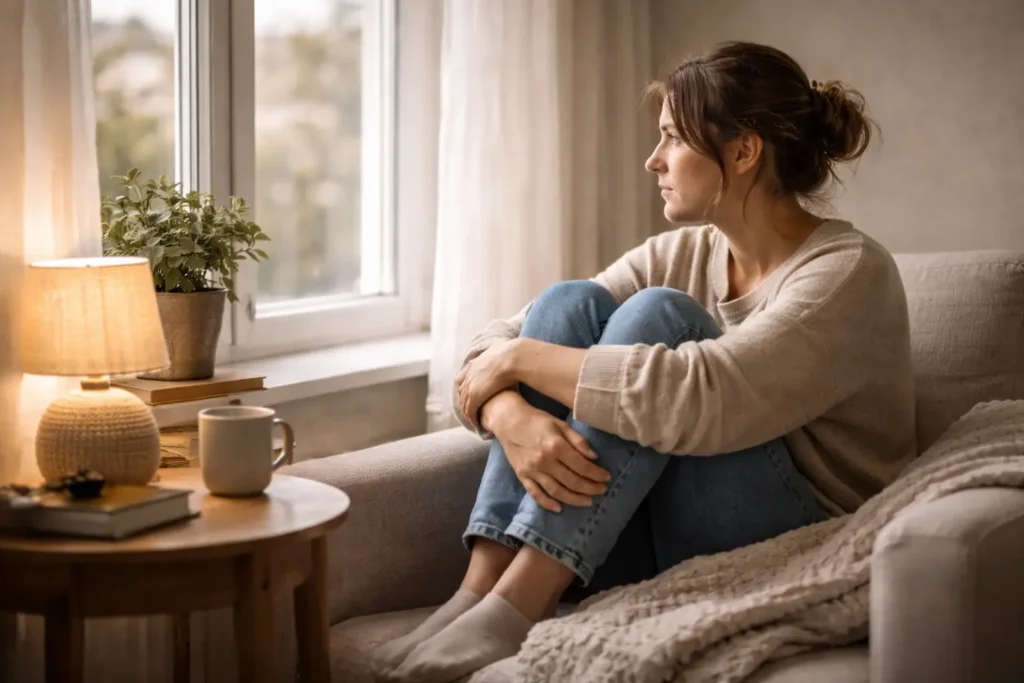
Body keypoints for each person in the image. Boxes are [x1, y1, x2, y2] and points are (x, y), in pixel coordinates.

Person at [374, 40, 916, 682]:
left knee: (657, 316)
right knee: (569, 303)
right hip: (649, 528)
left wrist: (518, 360)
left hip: (791, 543)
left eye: (672, 139)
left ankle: (520, 604)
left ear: (743, 152)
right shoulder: (684, 251)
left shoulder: (849, 273)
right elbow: (492, 346)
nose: (652, 160)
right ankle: (481, 589)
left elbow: (701, 396)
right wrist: (507, 410)